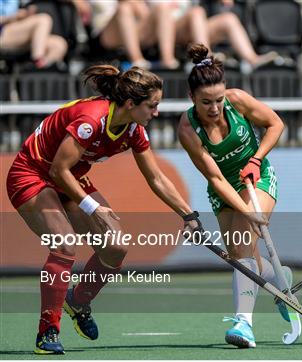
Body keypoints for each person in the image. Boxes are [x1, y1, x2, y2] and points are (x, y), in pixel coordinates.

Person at [6, 64, 202, 354]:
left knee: (116, 247)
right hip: (32, 173)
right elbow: (58, 169)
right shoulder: (91, 119)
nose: (157, 112)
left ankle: (79, 300)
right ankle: (47, 331)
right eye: (152, 105)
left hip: (70, 177)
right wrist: (91, 206)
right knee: (65, 245)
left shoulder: (133, 128)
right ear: (130, 103)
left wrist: (188, 215)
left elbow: (156, 178)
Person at [177, 43, 289, 348]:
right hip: (222, 189)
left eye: (218, 100)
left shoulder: (237, 101)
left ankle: (244, 324)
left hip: (258, 177)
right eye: (206, 102)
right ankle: (281, 280)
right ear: (191, 98)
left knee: (240, 248)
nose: (214, 108)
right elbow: (214, 176)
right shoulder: (188, 129)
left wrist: (256, 159)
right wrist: (244, 208)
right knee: (244, 260)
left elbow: (275, 124)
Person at [149, 1, 278, 71]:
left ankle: (252, 59)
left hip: (188, 28)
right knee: (196, 11)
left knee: (228, 19)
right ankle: (203, 57)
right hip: (157, 30)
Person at [74, 0, 179, 69]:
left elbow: (143, 14)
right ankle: (137, 59)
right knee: (124, 8)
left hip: (133, 30)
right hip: (103, 34)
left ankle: (167, 60)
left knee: (162, 8)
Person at [0, 0, 67, 68]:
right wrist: (15, 16)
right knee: (43, 20)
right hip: (2, 33)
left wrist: (26, 14)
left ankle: (38, 68)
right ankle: (36, 59)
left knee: (59, 45)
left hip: (17, 32)